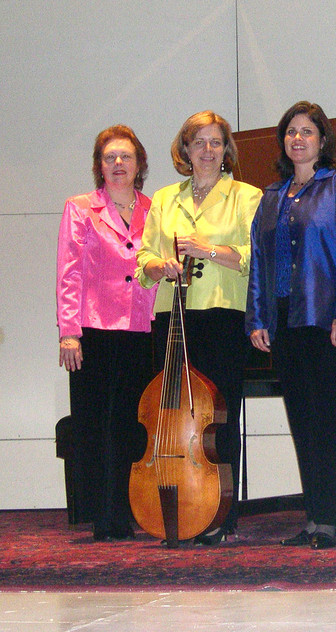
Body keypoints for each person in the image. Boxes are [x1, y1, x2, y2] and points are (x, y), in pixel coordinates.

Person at [246, 101, 336, 550]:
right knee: (301, 421)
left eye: (307, 131)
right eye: (291, 132)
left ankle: (328, 519)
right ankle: (312, 516)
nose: (297, 139)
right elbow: (259, 261)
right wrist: (258, 317)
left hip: (327, 321)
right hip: (286, 324)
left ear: (322, 140)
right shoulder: (272, 196)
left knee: (329, 421)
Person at [136, 111, 262, 545]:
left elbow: (255, 256)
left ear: (226, 150)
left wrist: (208, 249)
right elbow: (143, 261)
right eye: (199, 143)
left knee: (218, 419)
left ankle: (222, 516)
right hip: (173, 316)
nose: (207, 151)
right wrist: (161, 265)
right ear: (184, 150)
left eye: (215, 142)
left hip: (223, 315)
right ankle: (176, 506)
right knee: (172, 416)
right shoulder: (165, 198)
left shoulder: (247, 196)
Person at [56, 125, 157, 541]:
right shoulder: (80, 209)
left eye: (126, 157)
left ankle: (129, 509)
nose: (119, 164)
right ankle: (103, 513)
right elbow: (68, 273)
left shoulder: (155, 208)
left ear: (139, 164)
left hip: (141, 328)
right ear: (99, 165)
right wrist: (69, 332)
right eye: (110, 157)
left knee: (133, 422)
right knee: (95, 424)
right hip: (93, 330)